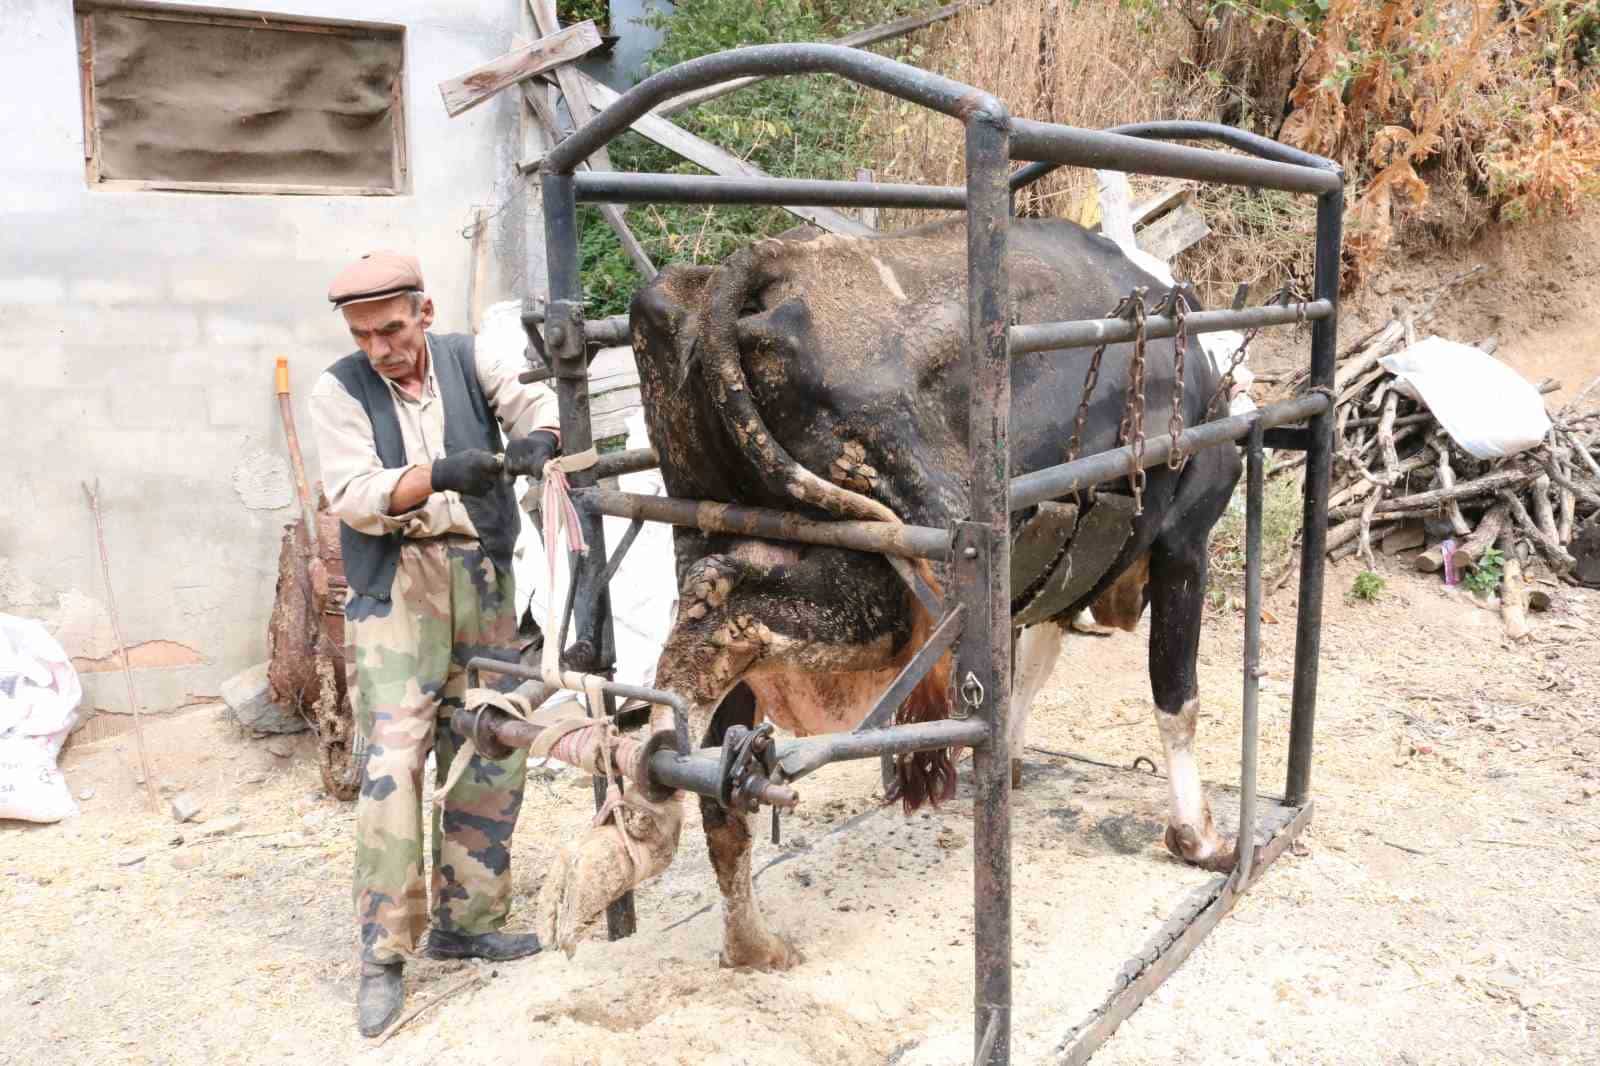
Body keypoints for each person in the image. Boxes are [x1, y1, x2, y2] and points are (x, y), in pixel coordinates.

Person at [309, 251, 561, 1036]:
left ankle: (469, 921)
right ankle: (382, 954)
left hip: (481, 571)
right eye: (364, 333)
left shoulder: (466, 354)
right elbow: (354, 496)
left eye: (391, 327)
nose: (380, 345)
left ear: (424, 309)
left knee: (493, 736)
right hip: (399, 584)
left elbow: (532, 402)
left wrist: (541, 440)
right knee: (393, 763)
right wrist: (440, 473)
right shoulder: (338, 389)